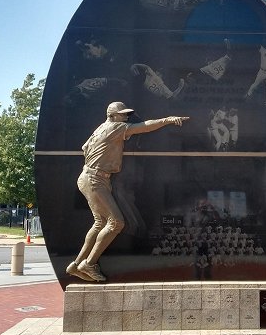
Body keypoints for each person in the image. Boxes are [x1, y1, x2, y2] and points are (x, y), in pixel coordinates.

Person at [67, 102, 189, 282]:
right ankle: (89, 264)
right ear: (113, 116)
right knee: (116, 222)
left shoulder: (101, 128)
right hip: (95, 179)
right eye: (122, 114)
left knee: (100, 223)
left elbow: (84, 148)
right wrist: (167, 120)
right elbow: (145, 127)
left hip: (90, 176)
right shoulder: (116, 127)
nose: (126, 117)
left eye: (126, 115)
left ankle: (76, 265)